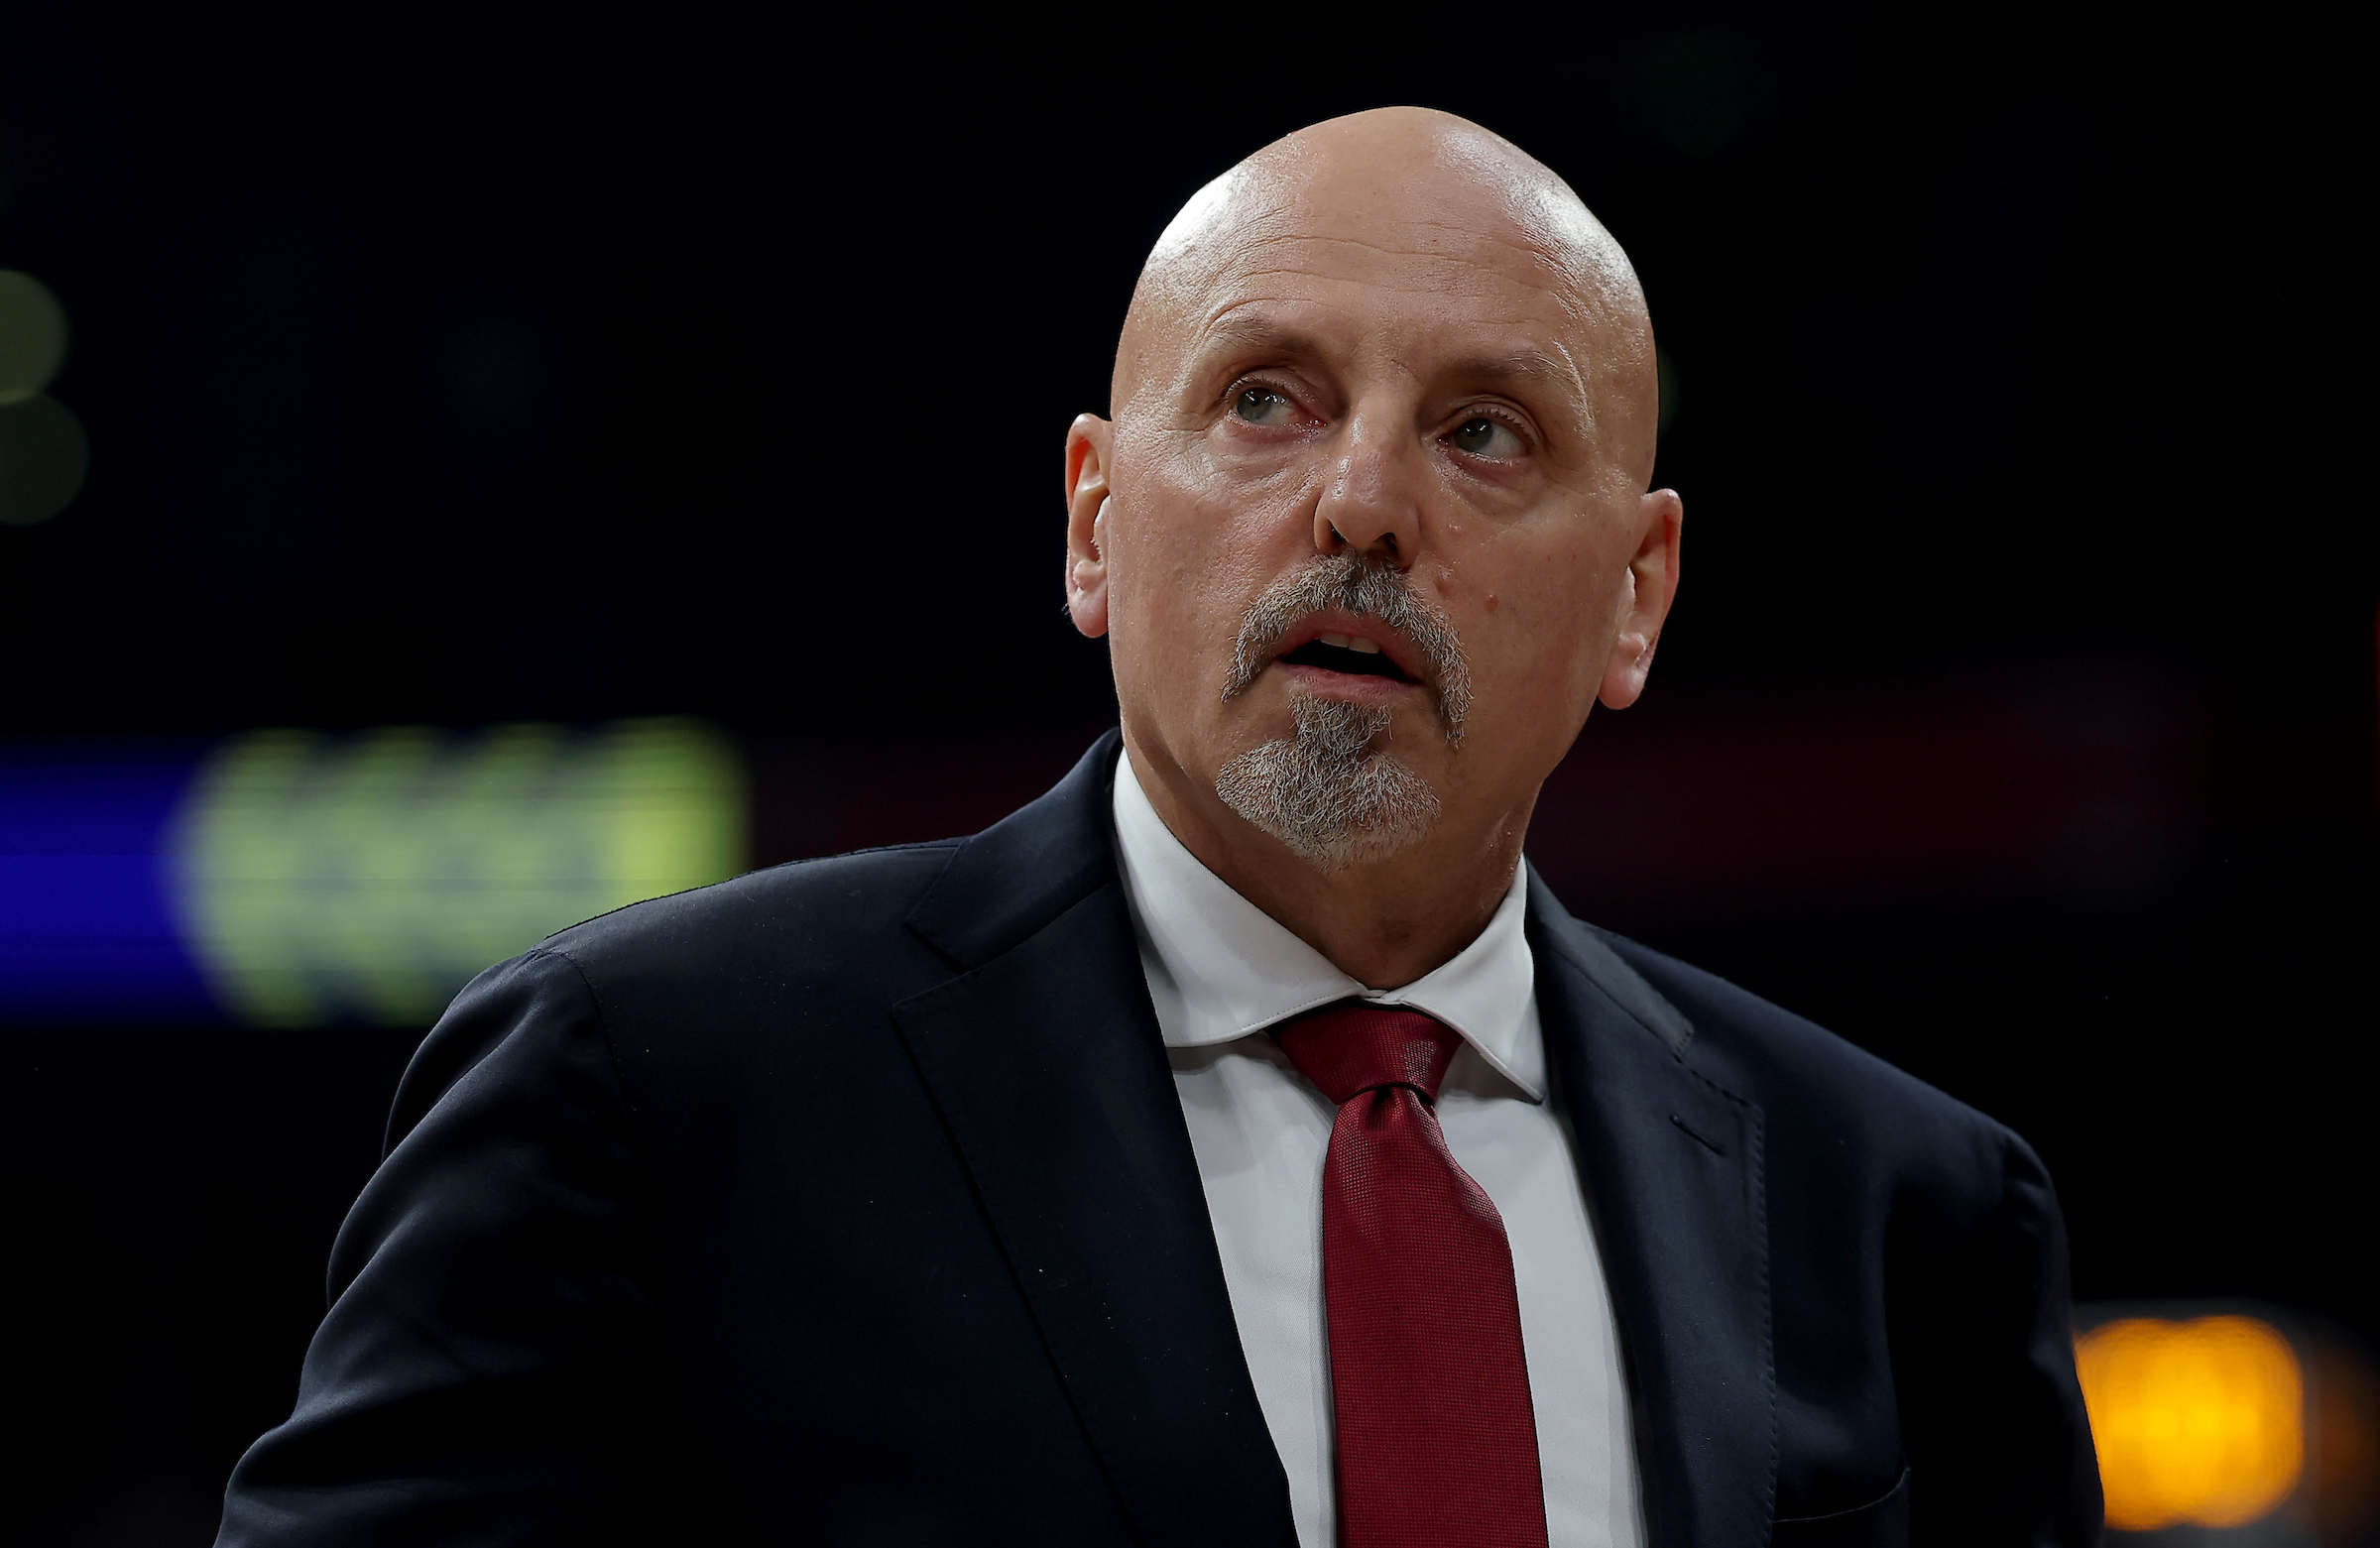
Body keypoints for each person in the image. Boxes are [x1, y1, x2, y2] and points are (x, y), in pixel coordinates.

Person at [216, 108, 2100, 1547]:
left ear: (1640, 592)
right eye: (1267, 400)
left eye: (1487, 432)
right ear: (1094, 523)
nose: (1364, 503)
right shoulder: (645, 1091)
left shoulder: (1905, 1213)